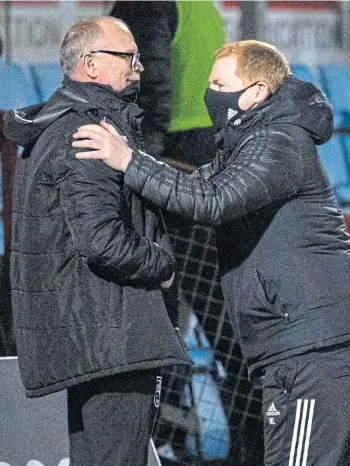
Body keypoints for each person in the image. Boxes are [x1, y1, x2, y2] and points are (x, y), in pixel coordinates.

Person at [72, 40, 350, 465]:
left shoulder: (277, 141)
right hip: (291, 345)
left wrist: (128, 160)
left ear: (256, 92)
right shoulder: (247, 143)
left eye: (220, 83)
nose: (210, 94)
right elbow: (191, 191)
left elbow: (212, 201)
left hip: (308, 347)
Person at [4, 16, 191, 466]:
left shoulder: (73, 123)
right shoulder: (89, 132)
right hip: (114, 335)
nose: (140, 66)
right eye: (129, 56)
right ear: (89, 63)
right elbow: (101, 240)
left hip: (94, 331)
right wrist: (162, 266)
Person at [109, 0, 225, 166]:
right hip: (205, 139)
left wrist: (143, 156)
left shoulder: (145, 5)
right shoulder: (203, 5)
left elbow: (146, 84)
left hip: (168, 144)